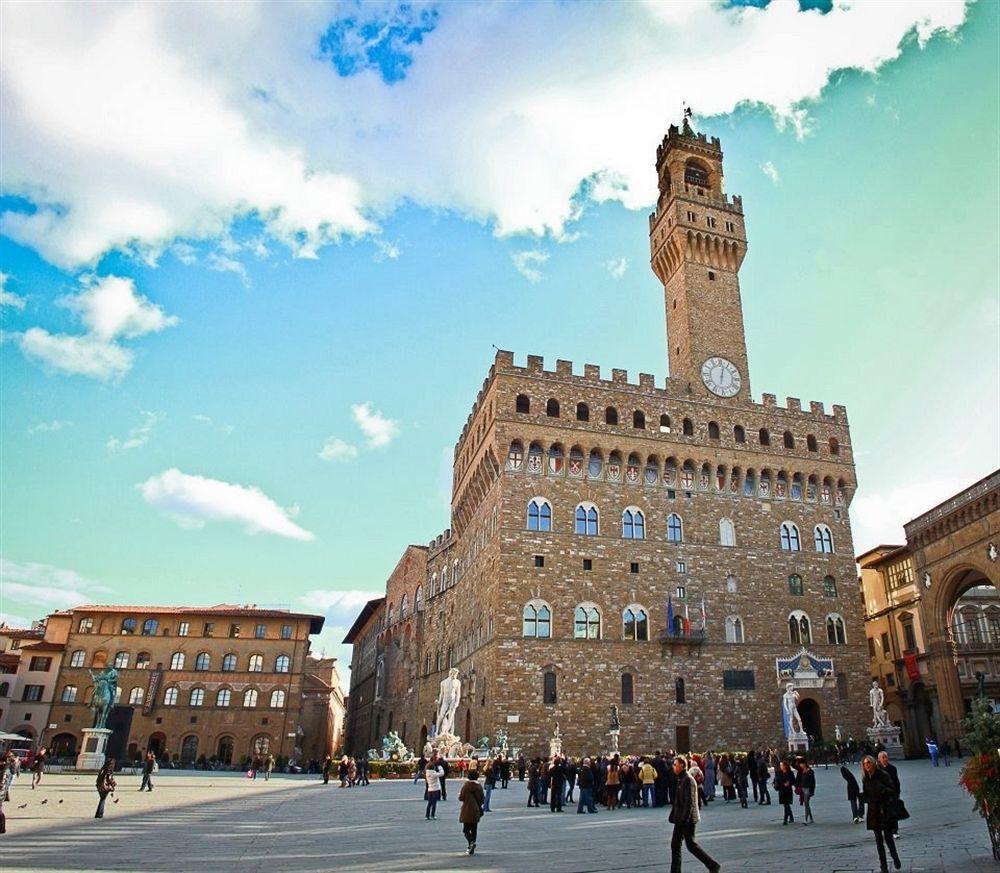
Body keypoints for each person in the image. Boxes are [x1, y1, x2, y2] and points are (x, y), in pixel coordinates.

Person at [668, 755, 720, 873]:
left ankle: (712, 865)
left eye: (675, 765)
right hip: (681, 818)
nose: (673, 767)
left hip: (686, 819)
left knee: (688, 845)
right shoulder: (681, 779)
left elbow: (690, 802)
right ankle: (712, 865)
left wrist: (684, 819)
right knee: (680, 845)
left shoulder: (688, 780)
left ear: (682, 765)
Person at [861, 755, 901, 872]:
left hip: (884, 809)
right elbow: (867, 795)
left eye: (868, 762)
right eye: (864, 763)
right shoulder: (866, 779)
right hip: (874, 811)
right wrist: (861, 796)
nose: (867, 765)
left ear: (873, 763)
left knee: (888, 838)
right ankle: (883, 866)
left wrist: (883, 789)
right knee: (878, 840)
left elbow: (892, 789)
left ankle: (895, 857)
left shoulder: (883, 775)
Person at [458, 768, 485, 855]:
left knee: (465, 830)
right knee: (474, 829)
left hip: (467, 809)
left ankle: (471, 842)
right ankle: (472, 845)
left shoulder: (466, 786)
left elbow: (461, 798)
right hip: (476, 810)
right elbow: (482, 799)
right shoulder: (479, 786)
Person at [774, 759, 796, 824]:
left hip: (788, 790)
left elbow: (793, 781)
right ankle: (791, 817)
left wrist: (789, 783)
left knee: (786, 804)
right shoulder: (779, 773)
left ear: (785, 766)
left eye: (782, 765)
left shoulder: (790, 773)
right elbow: (776, 780)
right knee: (786, 805)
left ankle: (785, 819)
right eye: (780, 765)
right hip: (781, 790)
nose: (780, 766)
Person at [424, 755, 445, 820]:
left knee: (429, 803)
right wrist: (440, 767)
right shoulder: (433, 773)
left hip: (430, 789)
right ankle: (432, 815)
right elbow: (442, 773)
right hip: (435, 789)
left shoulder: (427, 773)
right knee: (434, 803)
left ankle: (427, 815)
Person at [797, 760, 815, 824]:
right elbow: (794, 765)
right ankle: (811, 818)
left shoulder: (810, 771)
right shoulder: (801, 771)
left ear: (804, 764)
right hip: (803, 788)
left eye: (801, 764)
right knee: (806, 804)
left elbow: (813, 782)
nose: (800, 765)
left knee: (806, 803)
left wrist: (812, 791)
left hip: (808, 788)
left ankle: (806, 819)